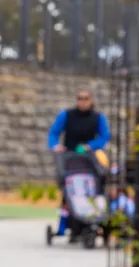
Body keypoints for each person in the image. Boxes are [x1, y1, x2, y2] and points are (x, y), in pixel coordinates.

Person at [48, 89, 110, 237]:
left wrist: (91, 146)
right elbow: (54, 133)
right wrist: (55, 146)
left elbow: (105, 136)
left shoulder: (98, 118)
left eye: (86, 98)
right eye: (79, 98)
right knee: (68, 193)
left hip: (89, 160)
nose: (82, 101)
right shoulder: (66, 115)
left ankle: (94, 220)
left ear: (91, 100)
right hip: (69, 159)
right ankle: (64, 225)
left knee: (93, 190)